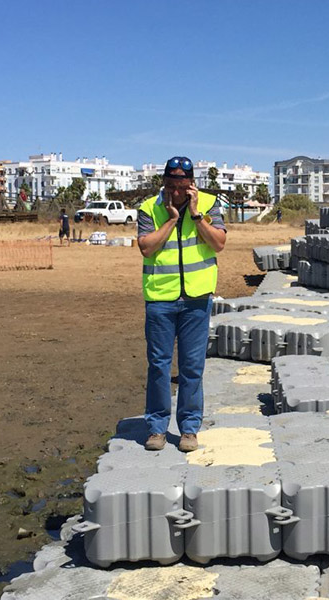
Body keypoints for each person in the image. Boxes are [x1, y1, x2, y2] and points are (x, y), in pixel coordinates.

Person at [137, 156, 227, 452]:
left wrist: (196, 215)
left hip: (197, 300)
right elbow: (147, 248)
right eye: (171, 185)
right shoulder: (149, 208)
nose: (176, 191)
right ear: (163, 182)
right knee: (159, 366)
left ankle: (189, 429)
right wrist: (172, 219)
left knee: (192, 367)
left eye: (182, 185)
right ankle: (157, 428)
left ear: (192, 184)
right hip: (160, 299)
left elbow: (218, 243)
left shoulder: (210, 204)